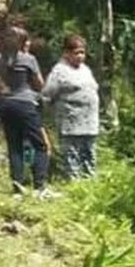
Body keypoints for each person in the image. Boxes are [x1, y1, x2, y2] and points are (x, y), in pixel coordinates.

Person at [0, 26, 55, 197]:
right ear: (23, 43)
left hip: (5, 105)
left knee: (14, 146)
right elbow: (40, 84)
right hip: (25, 104)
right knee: (40, 145)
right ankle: (40, 186)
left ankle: (17, 188)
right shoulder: (28, 59)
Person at [42, 35, 100, 178]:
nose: (80, 56)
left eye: (82, 52)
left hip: (89, 121)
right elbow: (47, 93)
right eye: (76, 53)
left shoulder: (85, 69)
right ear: (66, 53)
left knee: (89, 151)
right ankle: (74, 181)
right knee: (71, 152)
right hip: (71, 121)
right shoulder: (59, 71)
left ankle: (89, 178)